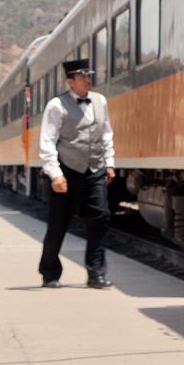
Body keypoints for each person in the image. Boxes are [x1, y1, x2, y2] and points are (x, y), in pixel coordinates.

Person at [37, 58, 115, 289]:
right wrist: (55, 174)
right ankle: (50, 273)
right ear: (71, 82)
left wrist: (109, 163)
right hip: (66, 170)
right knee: (58, 223)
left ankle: (96, 274)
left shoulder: (100, 101)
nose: (88, 80)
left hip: (94, 169)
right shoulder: (56, 105)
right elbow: (47, 141)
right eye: (83, 77)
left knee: (100, 218)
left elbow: (106, 134)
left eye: (89, 76)